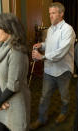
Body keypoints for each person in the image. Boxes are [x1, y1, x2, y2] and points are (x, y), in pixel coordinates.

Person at [30, 2, 76, 130]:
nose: (50, 16)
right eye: (49, 13)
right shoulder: (50, 29)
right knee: (44, 97)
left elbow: (61, 52)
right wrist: (42, 45)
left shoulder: (68, 30)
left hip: (63, 71)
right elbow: (50, 44)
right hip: (49, 70)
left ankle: (64, 112)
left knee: (64, 96)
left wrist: (42, 57)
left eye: (53, 13)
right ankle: (41, 119)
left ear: (61, 14)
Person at [0, 13, 30, 131]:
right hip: (3, 101)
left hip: (16, 104)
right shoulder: (0, 47)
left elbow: (13, 85)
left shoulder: (17, 52)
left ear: (8, 28)